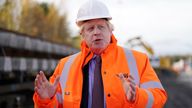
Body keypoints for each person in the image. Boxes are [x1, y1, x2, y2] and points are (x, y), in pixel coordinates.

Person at [33, 0, 167, 108]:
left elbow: (159, 98)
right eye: (90, 28)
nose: (96, 32)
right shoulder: (65, 65)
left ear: (110, 30)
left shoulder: (138, 60)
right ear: (83, 35)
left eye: (101, 27)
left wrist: (137, 96)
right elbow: (57, 104)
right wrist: (46, 99)